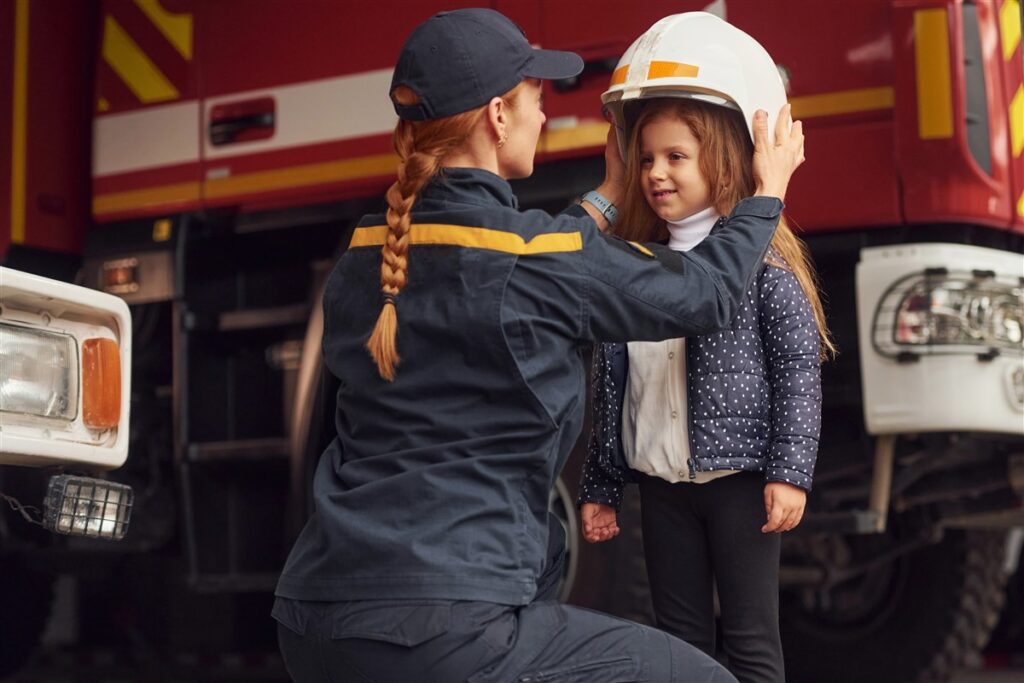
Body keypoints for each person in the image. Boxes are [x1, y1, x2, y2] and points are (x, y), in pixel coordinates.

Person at [272, 8, 803, 683]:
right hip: (448, 631)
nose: (543, 115)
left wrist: (607, 198)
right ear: (498, 116)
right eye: (534, 98)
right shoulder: (538, 258)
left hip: (315, 621)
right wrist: (768, 191)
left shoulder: (364, 253)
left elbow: (503, 267)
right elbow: (706, 293)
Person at [577, 14, 832, 683]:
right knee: (678, 642)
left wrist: (789, 471)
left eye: (676, 157)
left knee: (750, 640)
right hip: (662, 489)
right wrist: (602, 486)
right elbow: (613, 386)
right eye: (647, 157)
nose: (656, 173)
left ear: (723, 158)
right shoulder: (632, 268)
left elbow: (799, 375)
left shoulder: (766, 275)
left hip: (739, 485)